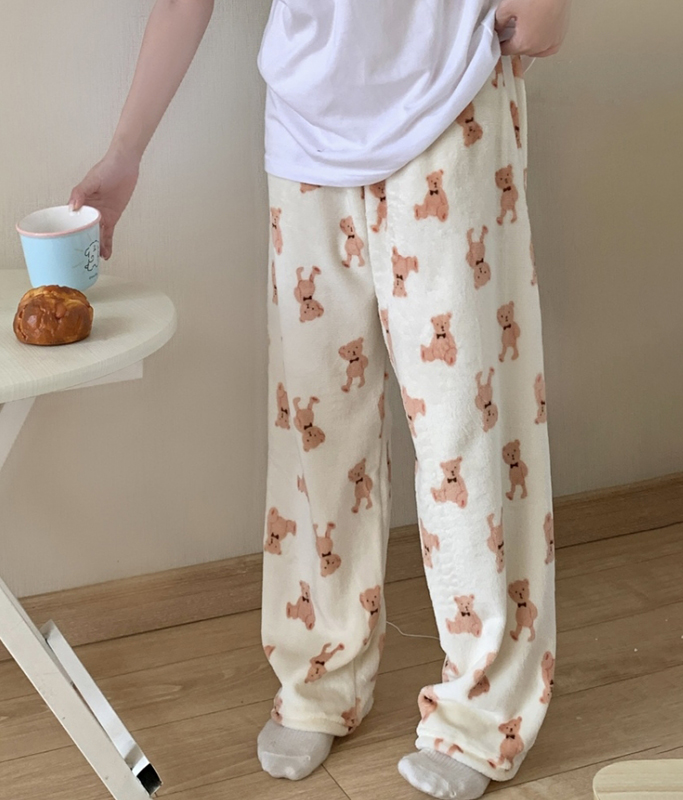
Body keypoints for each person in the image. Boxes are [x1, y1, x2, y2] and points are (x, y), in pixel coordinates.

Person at [69, 2, 571, 798]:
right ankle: (319, 675)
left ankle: (485, 713)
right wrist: (125, 152)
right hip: (307, 126)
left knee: (469, 425)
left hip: (452, 98)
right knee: (316, 425)